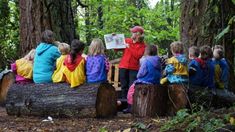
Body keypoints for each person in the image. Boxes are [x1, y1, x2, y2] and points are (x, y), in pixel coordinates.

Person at [125, 45, 161, 113]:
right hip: (156, 81)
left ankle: (130, 106)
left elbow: (142, 73)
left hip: (146, 80)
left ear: (147, 52)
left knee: (131, 90)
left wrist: (138, 76)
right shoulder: (158, 60)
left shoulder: (146, 61)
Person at [116, 26, 146, 99]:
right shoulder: (127, 40)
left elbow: (137, 56)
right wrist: (115, 38)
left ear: (138, 34)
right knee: (123, 87)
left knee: (131, 87)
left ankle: (130, 106)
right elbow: (116, 49)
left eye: (133, 32)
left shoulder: (143, 45)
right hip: (123, 67)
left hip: (133, 68)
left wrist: (129, 47)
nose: (131, 33)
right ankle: (124, 104)